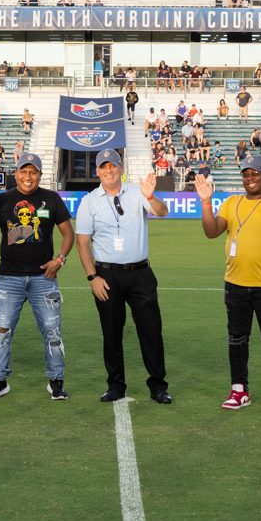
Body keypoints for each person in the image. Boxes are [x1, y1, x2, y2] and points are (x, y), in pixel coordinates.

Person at [194, 154, 261, 413]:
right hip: (235, 283)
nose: (250, 179)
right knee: (237, 339)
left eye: (255, 174)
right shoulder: (232, 203)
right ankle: (239, 389)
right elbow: (211, 231)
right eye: (246, 174)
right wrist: (206, 203)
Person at [0, 153, 74, 400]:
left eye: (33, 172)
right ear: (15, 173)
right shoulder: (2, 199)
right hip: (8, 279)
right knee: (2, 332)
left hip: (43, 279)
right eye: (23, 171)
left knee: (52, 331)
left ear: (40, 174)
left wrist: (59, 259)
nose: (28, 177)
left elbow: (68, 234)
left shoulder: (51, 199)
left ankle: (56, 381)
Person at [75, 150, 172, 404]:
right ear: (97, 171)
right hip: (106, 275)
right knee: (111, 333)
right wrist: (92, 277)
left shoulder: (137, 192)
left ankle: (158, 385)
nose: (109, 170)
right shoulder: (89, 201)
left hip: (140, 273)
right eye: (104, 166)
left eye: (113, 165)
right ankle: (115, 385)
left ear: (120, 167)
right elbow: (83, 242)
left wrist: (151, 196)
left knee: (151, 331)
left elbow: (163, 212)